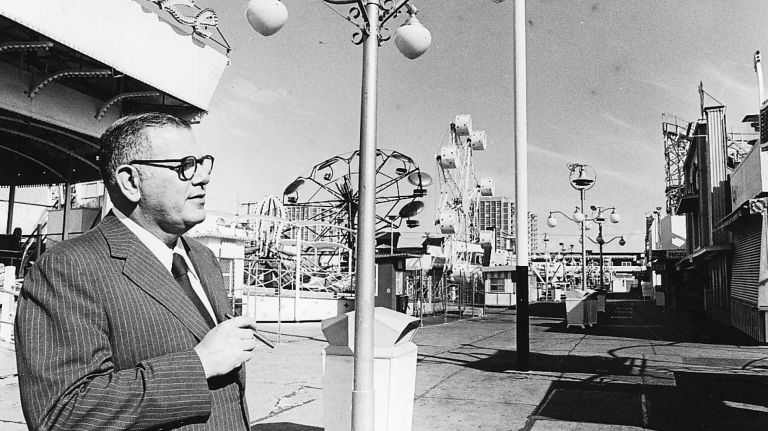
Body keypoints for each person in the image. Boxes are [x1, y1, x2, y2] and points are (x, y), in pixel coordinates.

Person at [15, 113, 259, 430]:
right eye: (185, 165)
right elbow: (61, 413)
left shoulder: (205, 258)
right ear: (131, 181)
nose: (203, 178)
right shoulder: (69, 267)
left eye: (202, 162)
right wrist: (198, 365)